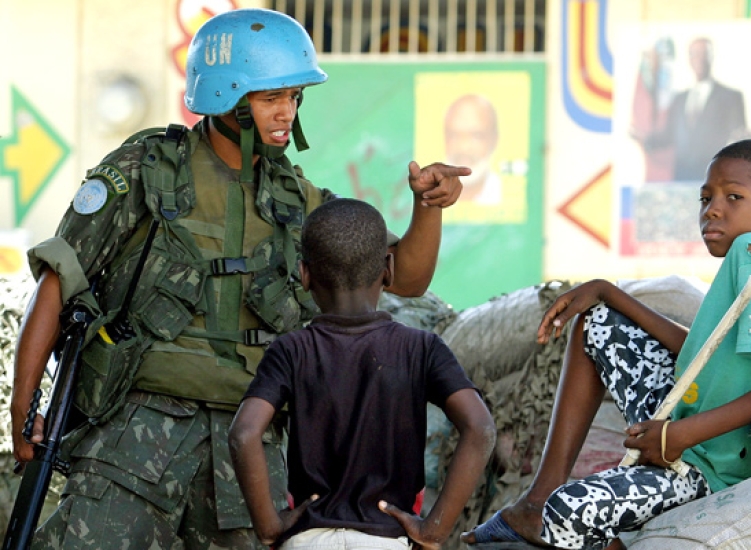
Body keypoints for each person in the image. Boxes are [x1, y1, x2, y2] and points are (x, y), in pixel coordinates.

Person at [11, 8, 470, 549]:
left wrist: (429, 208)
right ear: (228, 95)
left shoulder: (300, 201)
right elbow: (59, 279)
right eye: (272, 97)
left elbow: (404, 278)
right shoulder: (149, 168)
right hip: (134, 435)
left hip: (248, 446)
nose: (288, 111)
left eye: (295, 97)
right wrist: (24, 407)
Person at [461, 138, 751, 549]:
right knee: (595, 320)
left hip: (714, 465)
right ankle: (539, 500)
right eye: (705, 198)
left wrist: (678, 436)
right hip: (688, 431)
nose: (712, 209)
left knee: (567, 511)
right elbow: (704, 353)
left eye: (733, 196)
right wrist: (608, 293)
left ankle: (565, 513)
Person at [228, 198, 496, 549]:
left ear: (305, 275)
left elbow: (244, 434)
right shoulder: (421, 348)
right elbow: (480, 428)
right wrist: (433, 529)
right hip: (387, 540)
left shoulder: (290, 349)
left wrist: (269, 527)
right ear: (388, 268)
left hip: (308, 539)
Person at [634, 37, 749, 182]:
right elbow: (670, 135)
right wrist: (647, 139)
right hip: (682, 179)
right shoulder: (679, 99)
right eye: (695, 54)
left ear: (712, 57)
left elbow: (738, 137)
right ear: (689, 59)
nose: (699, 59)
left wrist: (744, 139)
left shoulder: (731, 97)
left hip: (715, 179)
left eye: (704, 53)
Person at [444, 94, 501, 205]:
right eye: (454, 135)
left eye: (476, 136)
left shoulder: (504, 196)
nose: (464, 147)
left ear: (493, 140)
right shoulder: (426, 197)